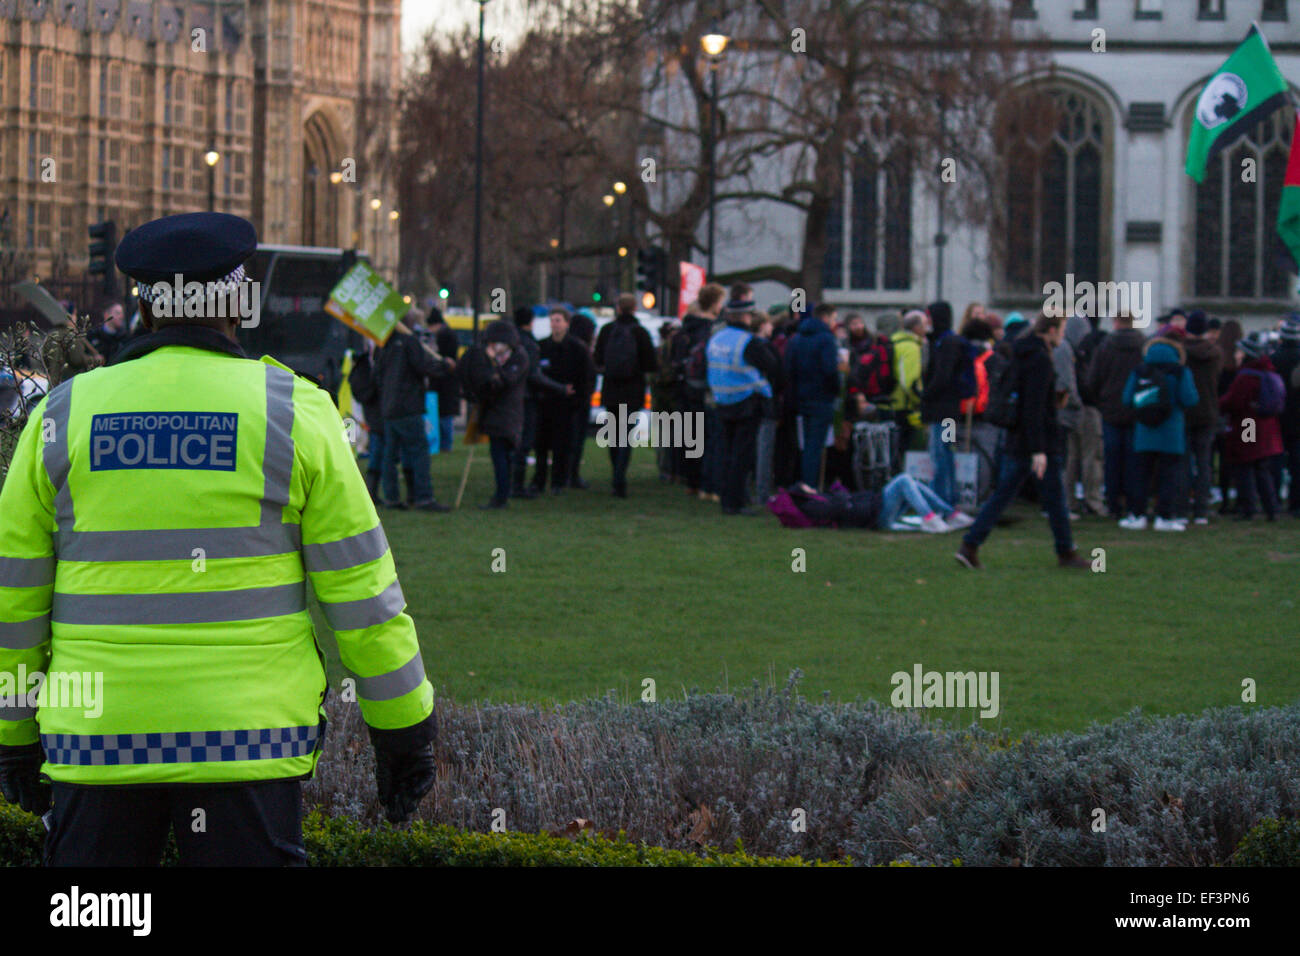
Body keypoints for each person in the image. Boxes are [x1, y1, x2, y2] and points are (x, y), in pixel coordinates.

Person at [0, 212, 436, 864]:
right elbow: (362, 592)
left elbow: (15, 596)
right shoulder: (295, 410)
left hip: (99, 740)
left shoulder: (63, 415)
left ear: (145, 305)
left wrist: (12, 732)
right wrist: (403, 727)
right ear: (236, 303)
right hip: (249, 744)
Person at [954, 312, 1089, 570]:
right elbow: (1034, 407)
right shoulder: (1040, 359)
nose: (1063, 334)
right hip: (1037, 441)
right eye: (1060, 329)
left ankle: (970, 544)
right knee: (1053, 497)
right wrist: (1039, 449)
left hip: (1021, 437)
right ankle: (1066, 552)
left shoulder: (1022, 354)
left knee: (1005, 495)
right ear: (1050, 330)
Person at [706, 291, 782, 515]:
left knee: (726, 451)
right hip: (747, 401)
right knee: (741, 454)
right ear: (747, 317)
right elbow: (773, 367)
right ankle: (735, 503)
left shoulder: (716, 339)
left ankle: (725, 499)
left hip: (722, 400)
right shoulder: (748, 342)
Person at [1118, 336, 1199, 531]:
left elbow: (1126, 399)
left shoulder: (1140, 371)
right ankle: (1165, 517)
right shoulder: (1180, 372)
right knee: (1169, 477)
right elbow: (1190, 399)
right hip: (1171, 433)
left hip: (1144, 431)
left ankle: (1137, 515)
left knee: (1140, 476)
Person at [376, 318, 454, 512]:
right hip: (408, 405)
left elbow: (377, 375)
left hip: (389, 407)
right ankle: (423, 497)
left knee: (390, 455)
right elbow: (423, 366)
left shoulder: (383, 345)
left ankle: (392, 497)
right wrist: (445, 365)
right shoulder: (409, 341)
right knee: (419, 452)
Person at [593, 293, 657, 498]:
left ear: (618, 308)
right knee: (626, 436)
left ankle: (615, 473)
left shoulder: (607, 331)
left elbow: (597, 359)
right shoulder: (640, 332)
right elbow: (650, 363)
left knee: (613, 435)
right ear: (635, 309)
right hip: (632, 390)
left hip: (611, 388)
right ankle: (620, 477)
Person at [1085, 311, 1146, 521]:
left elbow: (1093, 379)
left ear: (1116, 322)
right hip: (1136, 409)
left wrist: (1099, 401)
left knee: (1111, 459)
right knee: (1134, 460)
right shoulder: (1143, 346)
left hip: (1110, 408)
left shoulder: (1105, 346)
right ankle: (1133, 503)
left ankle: (1113, 503)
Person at [464, 319, 531, 509]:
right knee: (501, 455)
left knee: (502, 455)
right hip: (498, 414)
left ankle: (502, 495)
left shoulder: (518, 358)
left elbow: (504, 381)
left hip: (506, 413)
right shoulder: (510, 357)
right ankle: (504, 492)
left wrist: (492, 368)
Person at [1219, 333, 1283, 521]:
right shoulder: (1267, 371)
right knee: (1261, 467)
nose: (1237, 355)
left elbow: (1233, 402)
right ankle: (1271, 508)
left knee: (1245, 465)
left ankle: (1248, 508)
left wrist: (1218, 403)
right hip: (1265, 424)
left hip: (1248, 425)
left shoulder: (1246, 377)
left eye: (1239, 352)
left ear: (1246, 354)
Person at [673, 283, 725, 499]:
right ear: (714, 303)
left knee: (691, 435)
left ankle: (691, 481)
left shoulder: (684, 329)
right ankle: (707, 484)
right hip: (705, 388)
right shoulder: (711, 329)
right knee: (708, 437)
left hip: (685, 386)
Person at [511, 307, 569, 499]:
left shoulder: (511, 341)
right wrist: (560, 388)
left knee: (512, 441)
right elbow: (535, 375)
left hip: (510, 398)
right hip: (528, 398)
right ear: (531, 321)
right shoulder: (531, 344)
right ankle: (517, 486)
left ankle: (510, 482)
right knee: (525, 442)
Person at [532, 307, 588, 495]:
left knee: (561, 445)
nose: (554, 324)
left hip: (565, 405)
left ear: (566, 323)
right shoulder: (542, 346)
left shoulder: (576, 348)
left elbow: (585, 377)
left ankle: (558, 480)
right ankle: (539, 480)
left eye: (558, 320)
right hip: (545, 403)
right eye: (552, 320)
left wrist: (577, 400)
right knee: (541, 445)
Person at [785, 301, 840, 488]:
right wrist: (835, 390)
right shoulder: (826, 339)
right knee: (815, 447)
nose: (834, 323)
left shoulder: (797, 338)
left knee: (806, 445)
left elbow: (789, 369)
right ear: (826, 318)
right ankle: (810, 487)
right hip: (821, 398)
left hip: (801, 398)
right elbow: (830, 370)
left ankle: (803, 483)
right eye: (833, 319)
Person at [920, 300, 966, 506]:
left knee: (942, 454)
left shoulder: (947, 343)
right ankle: (946, 498)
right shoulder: (942, 341)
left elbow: (942, 377)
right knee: (944, 453)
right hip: (945, 410)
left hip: (945, 411)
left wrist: (925, 394)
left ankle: (942, 499)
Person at [1181, 312, 1224, 524]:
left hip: (1186, 411)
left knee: (1184, 461)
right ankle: (1201, 510)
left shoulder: (1181, 352)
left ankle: (1183, 504)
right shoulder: (1215, 353)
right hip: (1208, 411)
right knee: (1204, 462)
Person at [348, 339, 386, 501]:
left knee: (377, 451)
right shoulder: (368, 366)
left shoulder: (361, 365)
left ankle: (372, 491)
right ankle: (373, 492)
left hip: (370, 412)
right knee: (378, 452)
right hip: (375, 413)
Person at [1271, 315, 1300, 517]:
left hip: (1276, 417)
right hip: (1298, 418)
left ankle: (1273, 500)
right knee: (1298, 463)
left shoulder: (1273, 359)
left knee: (1275, 461)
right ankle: (1296, 503)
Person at [566, 309, 598, 488]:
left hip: (567, 399)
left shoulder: (568, 345)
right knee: (576, 439)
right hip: (580, 400)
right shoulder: (583, 349)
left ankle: (565, 473)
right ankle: (573, 474)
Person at [424, 307, 461, 453]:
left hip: (444, 384)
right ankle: (446, 444)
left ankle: (445, 445)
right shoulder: (449, 334)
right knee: (446, 416)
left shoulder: (444, 337)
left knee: (444, 417)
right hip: (447, 384)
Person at [890, 310, 926, 452]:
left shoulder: (895, 341)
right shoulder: (911, 347)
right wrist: (919, 401)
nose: (926, 329)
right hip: (904, 405)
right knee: (907, 449)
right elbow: (909, 381)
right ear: (916, 327)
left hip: (891, 401)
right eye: (924, 325)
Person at [87, 299, 128, 365]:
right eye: (117, 313)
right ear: (106, 315)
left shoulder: (124, 337)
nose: (121, 316)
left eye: (122, 313)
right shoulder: (94, 335)